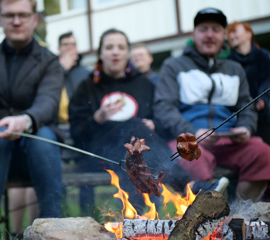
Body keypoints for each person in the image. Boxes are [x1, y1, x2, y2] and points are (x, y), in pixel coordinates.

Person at [69, 28, 229, 215]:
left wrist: (155, 125)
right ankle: (188, 186)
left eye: (120, 47)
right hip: (100, 155)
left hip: (141, 154)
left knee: (136, 149)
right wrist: (97, 118)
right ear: (100, 54)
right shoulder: (87, 87)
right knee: (134, 132)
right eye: (109, 47)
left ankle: (136, 217)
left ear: (128, 53)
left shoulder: (143, 84)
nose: (115, 52)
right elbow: (77, 133)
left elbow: (161, 122)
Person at [154, 7, 270, 203]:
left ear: (224, 35)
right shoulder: (173, 66)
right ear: (193, 34)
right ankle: (207, 218)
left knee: (262, 153)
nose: (210, 35)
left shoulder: (235, 69)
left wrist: (246, 127)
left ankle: (239, 215)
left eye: (216, 30)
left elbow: (246, 103)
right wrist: (191, 131)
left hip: (232, 141)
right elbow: (164, 107)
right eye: (204, 29)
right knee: (188, 156)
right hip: (190, 140)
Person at [0, 0, 63, 236]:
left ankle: (53, 228)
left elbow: (49, 101)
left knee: (42, 136)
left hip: (38, 152)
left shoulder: (50, 61)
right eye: (9, 15)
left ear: (35, 18)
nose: (16, 21)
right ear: (0, 19)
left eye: (23, 15)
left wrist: (25, 120)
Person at [227, 21, 270, 147]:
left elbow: (268, 80)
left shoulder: (262, 55)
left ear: (248, 34)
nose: (231, 36)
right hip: (239, 122)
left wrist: (263, 99)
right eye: (229, 33)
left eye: (235, 31)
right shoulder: (228, 62)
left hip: (262, 119)